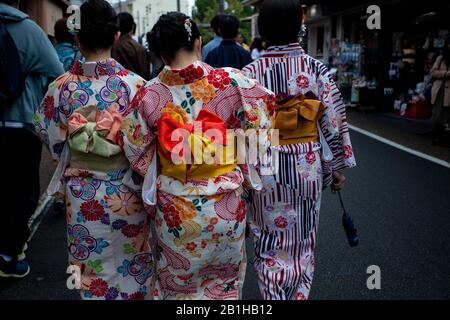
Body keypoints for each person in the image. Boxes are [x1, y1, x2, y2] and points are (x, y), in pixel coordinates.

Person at [120, 12, 275, 300]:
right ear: (199, 42)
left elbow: (134, 147)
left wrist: (172, 161)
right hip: (226, 202)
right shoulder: (232, 81)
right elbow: (262, 125)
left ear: (160, 52)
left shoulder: (149, 93)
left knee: (177, 287)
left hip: (176, 207)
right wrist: (239, 159)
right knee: (225, 285)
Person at [34, 0, 153, 300]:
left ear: (77, 38)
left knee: (88, 272)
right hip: (128, 193)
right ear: (115, 36)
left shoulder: (59, 88)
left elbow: (50, 137)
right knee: (134, 268)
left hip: (82, 195)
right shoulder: (137, 87)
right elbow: (147, 146)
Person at [242, 0, 356, 300]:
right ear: (299, 27)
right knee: (304, 240)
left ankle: (273, 295)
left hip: (266, 164)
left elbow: (240, 128)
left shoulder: (248, 73)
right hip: (307, 164)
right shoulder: (316, 69)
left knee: (267, 239)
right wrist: (334, 170)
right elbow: (332, 122)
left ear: (263, 29)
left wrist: (242, 174)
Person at [0, 0, 64, 278]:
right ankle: (9, 257)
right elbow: (57, 74)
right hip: (19, 123)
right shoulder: (27, 29)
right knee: (20, 191)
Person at [112, 12, 150, 80]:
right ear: (132, 27)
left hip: (113, 86)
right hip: (136, 87)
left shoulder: (110, 47)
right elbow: (145, 74)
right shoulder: (139, 48)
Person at [430, 39, 450, 146]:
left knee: (447, 116)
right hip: (439, 90)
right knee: (437, 114)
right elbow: (433, 72)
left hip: (449, 92)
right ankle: (437, 136)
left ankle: (445, 137)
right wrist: (445, 73)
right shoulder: (440, 58)